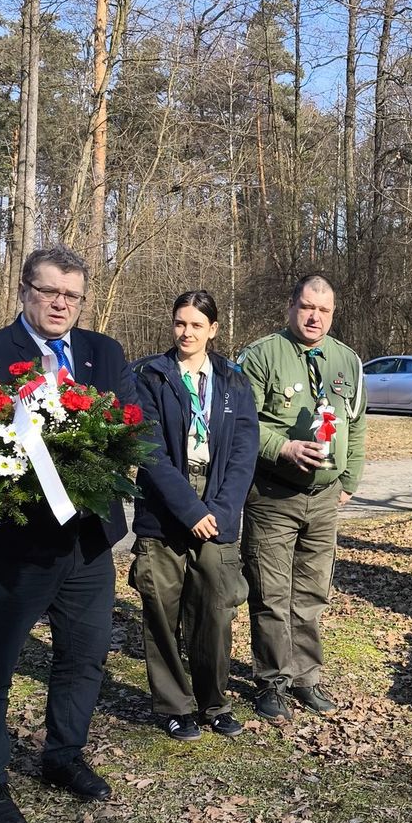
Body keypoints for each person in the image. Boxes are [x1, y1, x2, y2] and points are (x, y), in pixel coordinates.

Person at [0, 246, 138, 823]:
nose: (61, 303)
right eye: (50, 290)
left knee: (83, 659)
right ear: (24, 291)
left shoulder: (103, 353)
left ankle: (63, 755)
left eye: (72, 294)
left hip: (88, 544)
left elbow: (131, 423)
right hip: (17, 549)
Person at [130, 291, 259, 740]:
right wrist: (188, 509)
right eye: (180, 323)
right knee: (161, 610)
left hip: (217, 501)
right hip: (166, 506)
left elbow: (244, 453)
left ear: (214, 330)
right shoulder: (149, 375)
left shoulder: (234, 380)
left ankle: (215, 703)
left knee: (214, 611)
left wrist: (220, 512)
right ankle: (174, 706)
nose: (187, 333)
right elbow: (148, 449)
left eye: (196, 325)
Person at [238, 274, 366, 721]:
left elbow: (357, 421)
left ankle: (306, 677)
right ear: (290, 308)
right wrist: (284, 448)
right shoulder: (261, 355)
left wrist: (349, 478)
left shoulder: (346, 360)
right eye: (307, 306)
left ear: (333, 314)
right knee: (272, 595)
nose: (315, 316)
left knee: (311, 593)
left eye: (324, 310)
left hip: (325, 499)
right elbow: (240, 424)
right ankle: (272, 680)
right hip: (273, 496)